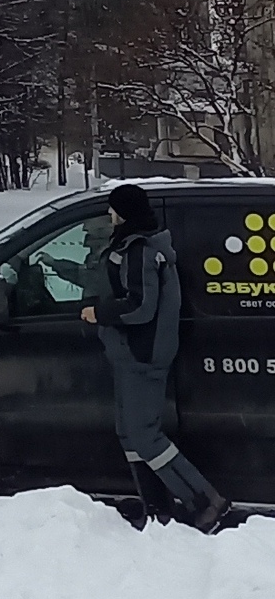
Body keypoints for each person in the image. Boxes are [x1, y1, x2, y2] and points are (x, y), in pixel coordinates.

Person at [81, 183, 233, 531]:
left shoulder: (141, 250)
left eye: (113, 209)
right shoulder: (131, 246)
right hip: (128, 354)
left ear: (124, 212)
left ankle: (206, 501)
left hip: (143, 354)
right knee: (129, 433)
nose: (109, 215)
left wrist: (99, 313)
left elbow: (140, 306)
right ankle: (157, 508)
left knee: (144, 435)